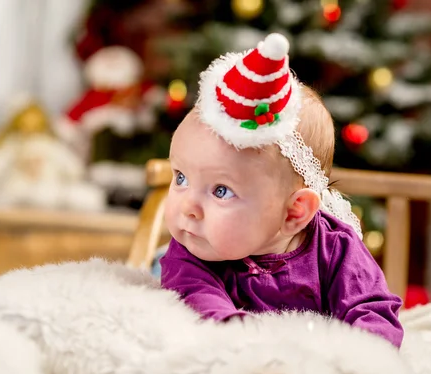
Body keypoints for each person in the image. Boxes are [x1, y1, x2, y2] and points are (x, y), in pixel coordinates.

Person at [160, 33, 404, 348]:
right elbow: (199, 300)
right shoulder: (193, 250)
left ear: (294, 212)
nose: (188, 206)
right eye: (180, 177)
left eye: (221, 191)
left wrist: (356, 364)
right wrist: (249, 341)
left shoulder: (337, 249)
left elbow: (373, 312)